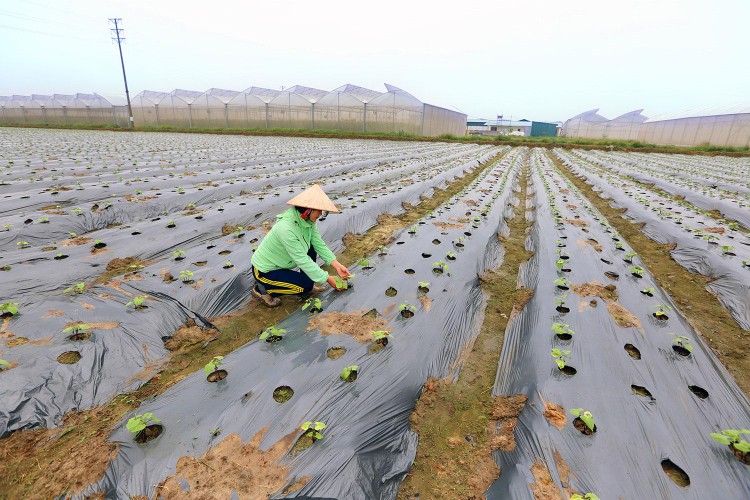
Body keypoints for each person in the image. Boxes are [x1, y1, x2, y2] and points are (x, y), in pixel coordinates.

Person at [250, 184, 351, 307]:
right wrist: (328, 279)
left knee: (312, 247)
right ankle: (262, 289)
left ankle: (307, 284)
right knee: (304, 287)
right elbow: (301, 259)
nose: (320, 214)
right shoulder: (286, 228)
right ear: (308, 210)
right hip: (265, 270)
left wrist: (337, 265)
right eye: (318, 210)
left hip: (281, 264)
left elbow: (318, 243)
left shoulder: (308, 221)